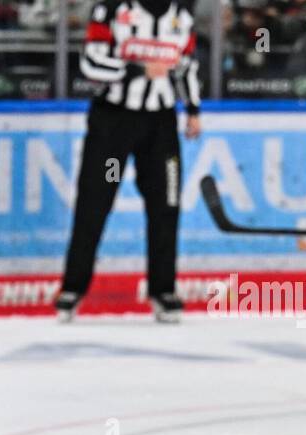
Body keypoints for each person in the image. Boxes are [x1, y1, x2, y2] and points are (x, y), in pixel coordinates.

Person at [54, 0, 201, 324]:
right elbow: (91, 64)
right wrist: (136, 68)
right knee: (94, 202)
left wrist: (192, 110)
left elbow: (187, 65)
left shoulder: (181, 13)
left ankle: (164, 290)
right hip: (113, 120)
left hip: (161, 123)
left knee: (167, 203)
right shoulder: (109, 9)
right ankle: (72, 288)